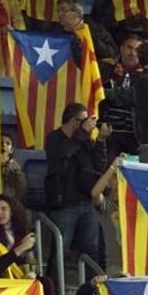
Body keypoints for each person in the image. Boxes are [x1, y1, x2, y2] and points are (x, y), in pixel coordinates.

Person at [45, 103, 107, 263]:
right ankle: (53, 287)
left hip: (87, 202)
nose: (87, 124)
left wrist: (100, 141)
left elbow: (100, 167)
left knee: (91, 252)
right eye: (83, 120)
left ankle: (91, 287)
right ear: (73, 121)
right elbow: (63, 154)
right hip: (64, 204)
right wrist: (83, 133)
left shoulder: (85, 140)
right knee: (59, 252)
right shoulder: (54, 138)